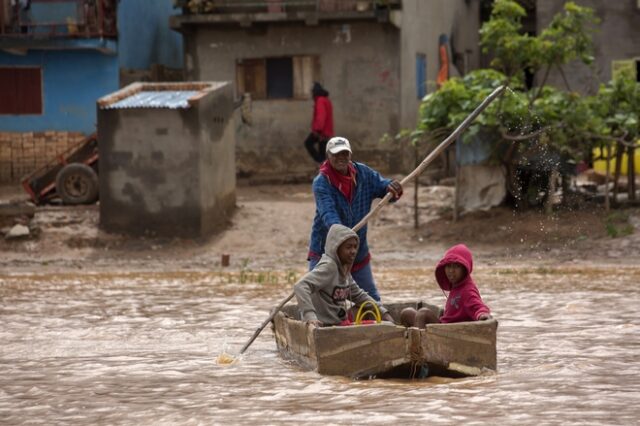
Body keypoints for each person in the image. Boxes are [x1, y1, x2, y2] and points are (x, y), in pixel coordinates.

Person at [308, 136, 403, 301]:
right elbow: (329, 215)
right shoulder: (322, 183)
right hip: (325, 253)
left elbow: (384, 189)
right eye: (336, 154)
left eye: (345, 154)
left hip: (356, 252)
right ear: (328, 156)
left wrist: (393, 188)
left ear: (350, 155)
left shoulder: (363, 174)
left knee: (371, 300)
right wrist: (342, 236)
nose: (341, 158)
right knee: (315, 299)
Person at [294, 224, 393, 327]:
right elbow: (301, 286)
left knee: (367, 308)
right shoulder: (329, 267)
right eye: (348, 247)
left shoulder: (344, 269)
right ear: (336, 248)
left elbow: (358, 295)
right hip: (324, 325)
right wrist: (310, 316)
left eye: (355, 247)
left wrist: (383, 312)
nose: (353, 251)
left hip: (338, 321)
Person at [400, 243, 491, 328]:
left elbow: (478, 306)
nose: (451, 271)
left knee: (423, 313)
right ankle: (414, 338)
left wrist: (482, 314)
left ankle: (418, 343)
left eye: (456, 266)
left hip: (450, 332)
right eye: (448, 266)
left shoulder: (467, 290)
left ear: (465, 269)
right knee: (406, 313)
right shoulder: (455, 286)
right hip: (442, 326)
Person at [303, 82, 334, 163]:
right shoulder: (326, 100)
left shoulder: (320, 101)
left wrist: (318, 130)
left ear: (315, 92)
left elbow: (321, 116)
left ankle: (322, 164)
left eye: (312, 92)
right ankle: (324, 169)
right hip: (326, 131)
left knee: (308, 143)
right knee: (322, 153)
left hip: (321, 131)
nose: (312, 94)